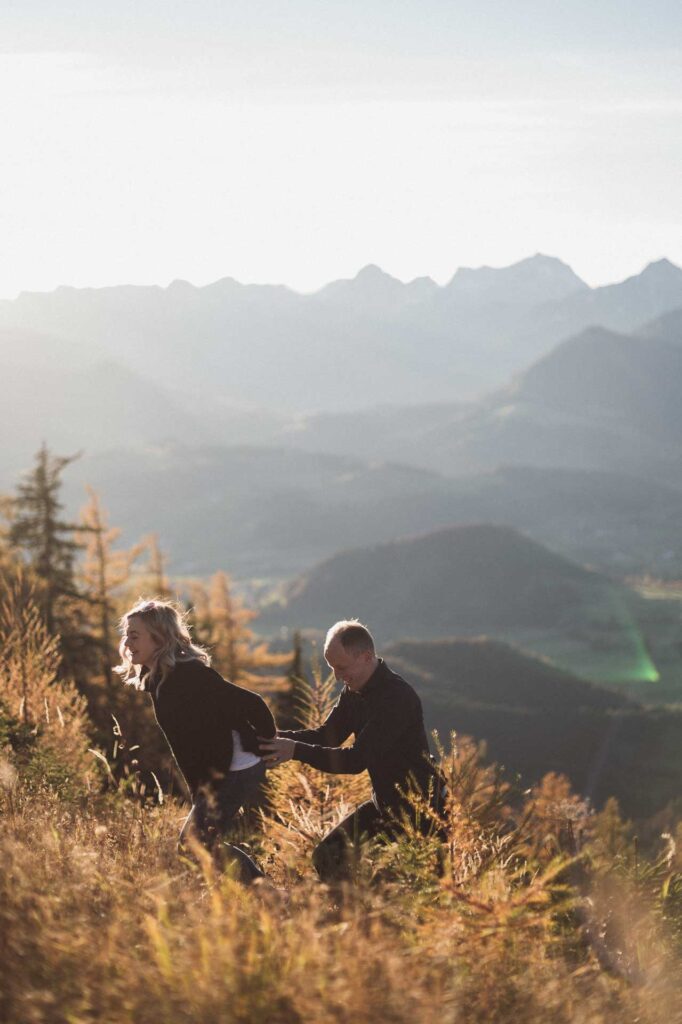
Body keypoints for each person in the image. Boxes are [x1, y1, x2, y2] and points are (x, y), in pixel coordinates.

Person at [260, 619, 443, 881]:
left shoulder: (397, 698)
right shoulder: (353, 691)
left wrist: (295, 751)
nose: (337, 676)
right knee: (326, 857)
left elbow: (356, 760)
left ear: (366, 657)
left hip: (420, 813)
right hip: (384, 805)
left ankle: (363, 914)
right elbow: (326, 736)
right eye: (332, 667)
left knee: (399, 888)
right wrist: (273, 738)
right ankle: (350, 914)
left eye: (341, 667)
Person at [116, 598, 276, 883]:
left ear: (160, 637)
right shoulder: (160, 678)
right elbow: (193, 744)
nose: (127, 643)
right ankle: (266, 893)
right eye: (126, 635)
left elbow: (252, 703)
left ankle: (268, 894)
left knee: (193, 847)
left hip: (235, 769)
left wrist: (266, 747)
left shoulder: (188, 675)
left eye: (135, 635)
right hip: (222, 773)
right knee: (199, 847)